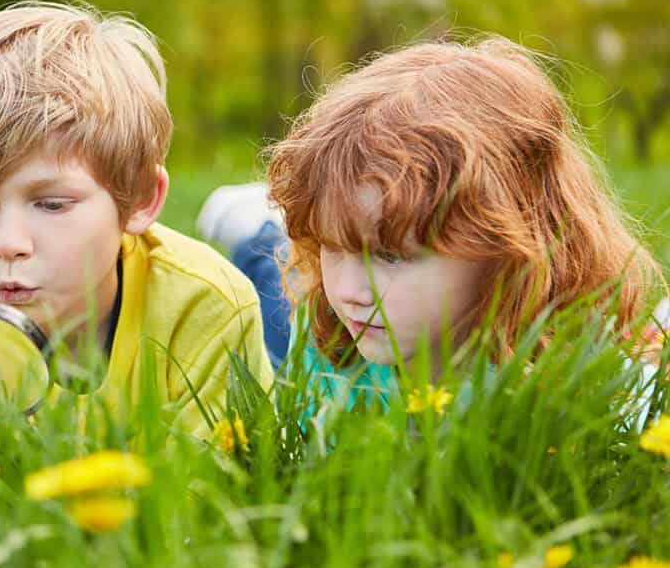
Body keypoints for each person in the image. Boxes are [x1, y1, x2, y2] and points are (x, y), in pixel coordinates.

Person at [0, 0, 272, 438]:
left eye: (52, 204)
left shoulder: (206, 305)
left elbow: (211, 487)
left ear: (139, 198)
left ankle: (263, 235)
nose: (7, 244)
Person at [199, 36, 663, 408]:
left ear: (508, 243)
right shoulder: (323, 362)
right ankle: (263, 231)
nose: (351, 291)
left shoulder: (588, 390)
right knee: (277, 303)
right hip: (301, 321)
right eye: (332, 246)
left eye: (391, 255)